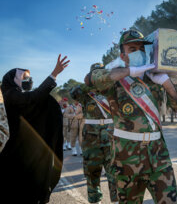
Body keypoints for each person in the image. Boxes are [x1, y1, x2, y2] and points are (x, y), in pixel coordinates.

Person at [87, 29, 177, 203]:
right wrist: (128, 71)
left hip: (158, 153)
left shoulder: (153, 76)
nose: (139, 52)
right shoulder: (114, 79)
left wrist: (167, 83)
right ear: (122, 55)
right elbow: (91, 79)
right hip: (127, 157)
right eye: (132, 49)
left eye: (141, 48)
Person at [0, 54, 69, 203]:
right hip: (10, 154)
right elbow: (34, 98)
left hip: (22, 152)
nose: (28, 81)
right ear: (14, 80)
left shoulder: (16, 96)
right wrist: (54, 74)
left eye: (29, 78)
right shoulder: (10, 95)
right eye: (24, 78)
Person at [70, 63, 118, 204]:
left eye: (100, 73)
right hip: (91, 136)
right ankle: (95, 200)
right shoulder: (85, 92)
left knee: (114, 171)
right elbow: (73, 93)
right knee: (92, 172)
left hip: (111, 133)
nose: (99, 76)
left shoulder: (112, 87)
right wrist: (89, 84)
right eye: (95, 74)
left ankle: (116, 201)